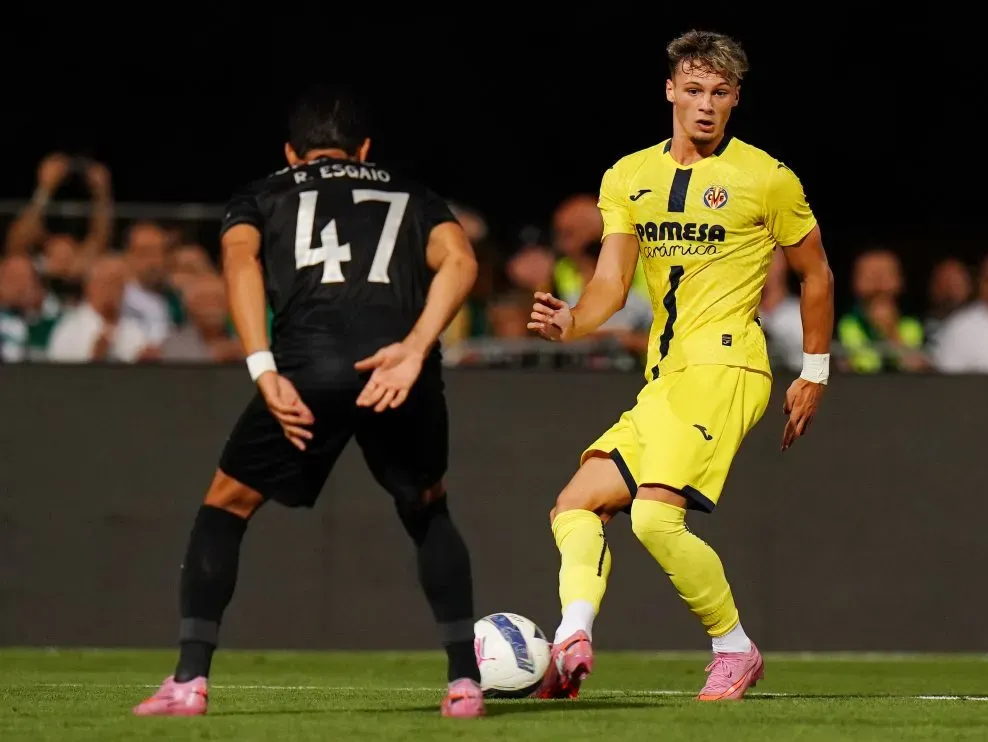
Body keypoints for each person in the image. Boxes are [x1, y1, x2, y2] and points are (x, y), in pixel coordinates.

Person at [133, 85, 484, 718]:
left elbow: (239, 265)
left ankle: (188, 682)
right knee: (428, 508)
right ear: (367, 147)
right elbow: (460, 260)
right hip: (396, 370)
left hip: (306, 368)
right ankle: (464, 685)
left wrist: (262, 367)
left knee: (226, 506)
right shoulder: (413, 194)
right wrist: (413, 347)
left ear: (293, 152)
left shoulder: (263, 192)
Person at [528, 30, 834, 701]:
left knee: (652, 517)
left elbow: (816, 273)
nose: (705, 105)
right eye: (693, 89)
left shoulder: (766, 177)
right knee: (575, 504)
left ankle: (735, 650)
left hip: (729, 367)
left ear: (735, 99)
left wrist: (813, 372)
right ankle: (569, 640)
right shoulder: (628, 176)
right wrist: (572, 321)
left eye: (719, 93)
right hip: (665, 381)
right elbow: (611, 283)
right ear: (670, 90)